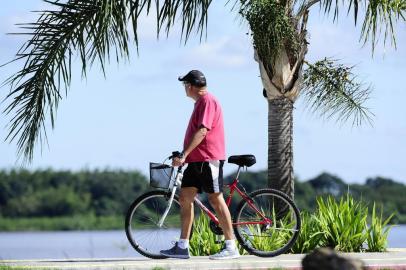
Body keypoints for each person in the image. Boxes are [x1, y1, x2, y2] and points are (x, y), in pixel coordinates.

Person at [160, 70, 240, 260]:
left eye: (185, 85)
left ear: (191, 85)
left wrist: (185, 153)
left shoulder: (207, 101)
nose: (184, 89)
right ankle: (182, 246)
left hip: (208, 159)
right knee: (185, 198)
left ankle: (231, 246)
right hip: (196, 161)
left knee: (215, 199)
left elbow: (203, 131)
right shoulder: (199, 103)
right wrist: (185, 155)